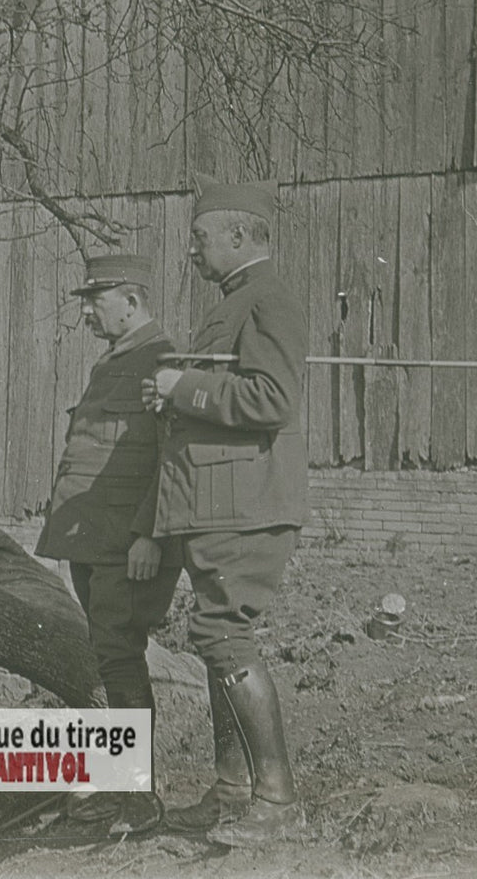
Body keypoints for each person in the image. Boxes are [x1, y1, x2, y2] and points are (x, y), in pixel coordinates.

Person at [140, 175, 308, 846]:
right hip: (218, 505)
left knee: (221, 637)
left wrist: (185, 387)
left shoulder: (268, 298)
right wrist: (177, 394)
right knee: (216, 642)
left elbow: (271, 399)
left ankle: (278, 801)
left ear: (239, 234)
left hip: (245, 505)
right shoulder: (237, 300)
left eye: (199, 237)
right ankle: (233, 792)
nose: (191, 250)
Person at [36, 254, 182, 833]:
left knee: (120, 657)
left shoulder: (162, 361)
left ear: (131, 301)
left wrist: (150, 533)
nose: (87, 314)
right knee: (109, 656)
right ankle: (122, 788)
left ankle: (139, 800)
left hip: (126, 542)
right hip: (91, 540)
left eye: (95, 302)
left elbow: (172, 459)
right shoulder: (114, 360)